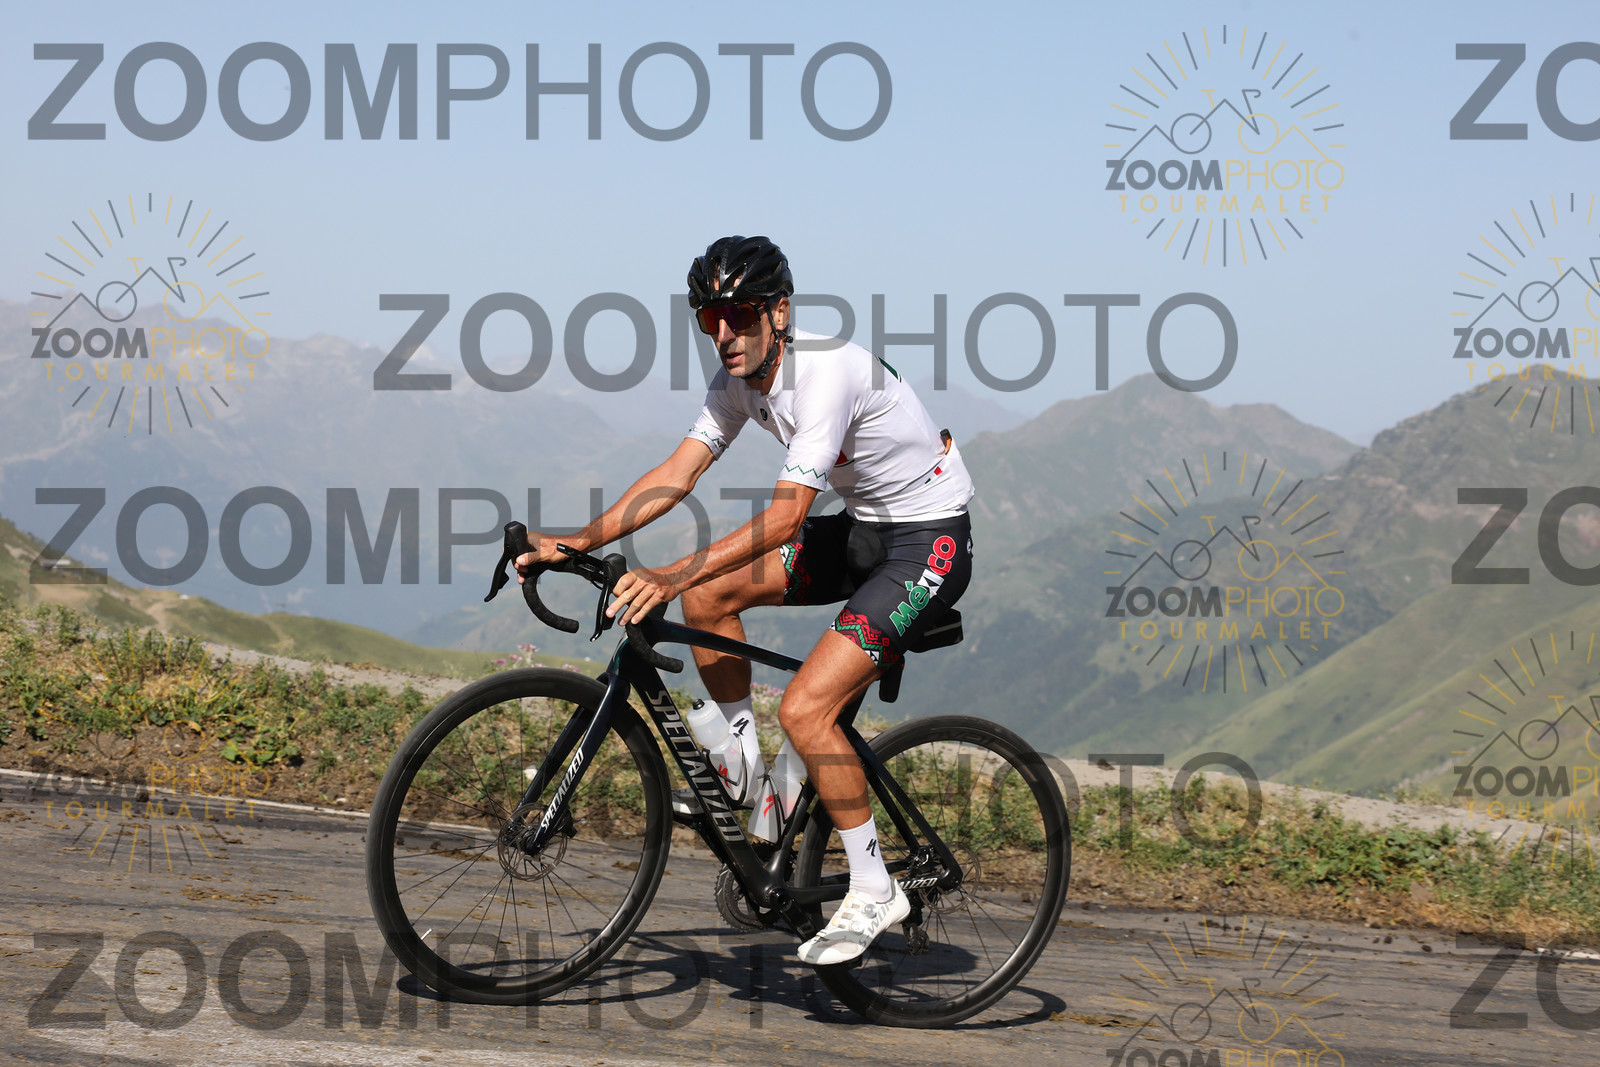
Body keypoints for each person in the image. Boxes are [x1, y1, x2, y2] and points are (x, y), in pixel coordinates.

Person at [516, 235, 974, 964]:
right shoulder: (738, 383)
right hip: (864, 530)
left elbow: (788, 517)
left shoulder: (826, 373)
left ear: (779, 313)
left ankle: (874, 886)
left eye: (740, 315)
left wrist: (669, 574)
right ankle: (750, 778)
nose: (725, 334)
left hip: (927, 542)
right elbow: (676, 474)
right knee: (710, 594)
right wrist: (572, 543)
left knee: (805, 709)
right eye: (710, 319)